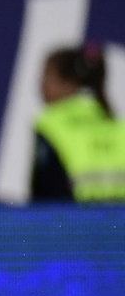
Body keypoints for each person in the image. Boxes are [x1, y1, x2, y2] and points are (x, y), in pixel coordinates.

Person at [32, 45, 125, 202]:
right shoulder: (117, 126)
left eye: (46, 77)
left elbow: (45, 191)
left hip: (73, 222)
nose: (41, 86)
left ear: (68, 83)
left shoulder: (51, 124)